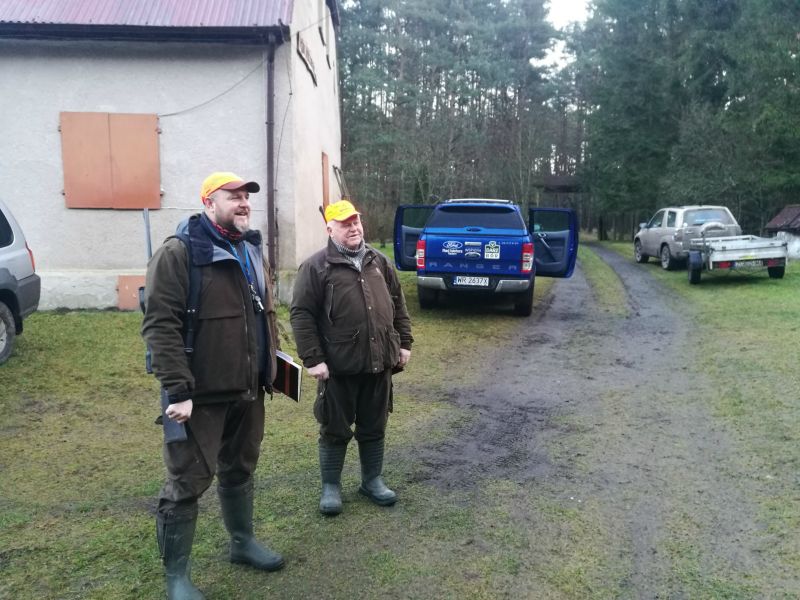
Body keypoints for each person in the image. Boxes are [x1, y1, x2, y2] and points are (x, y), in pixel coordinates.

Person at [142, 171, 284, 600]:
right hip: (199, 396)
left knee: (240, 468)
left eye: (246, 196)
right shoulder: (179, 253)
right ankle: (177, 579)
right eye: (232, 196)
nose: (243, 203)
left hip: (248, 388)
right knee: (186, 481)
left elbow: (264, 315)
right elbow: (160, 326)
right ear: (208, 203)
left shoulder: (251, 249)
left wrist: (273, 366)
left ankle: (242, 542)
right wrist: (178, 390)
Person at [290, 200, 413, 516]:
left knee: (375, 424)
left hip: (379, 361)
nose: (354, 227)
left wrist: (405, 342)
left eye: (356, 221)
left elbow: (398, 304)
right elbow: (301, 314)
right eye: (345, 224)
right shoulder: (315, 267)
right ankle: (331, 487)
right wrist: (313, 358)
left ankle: (372, 481)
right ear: (330, 229)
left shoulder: (379, 262)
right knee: (335, 427)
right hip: (338, 366)